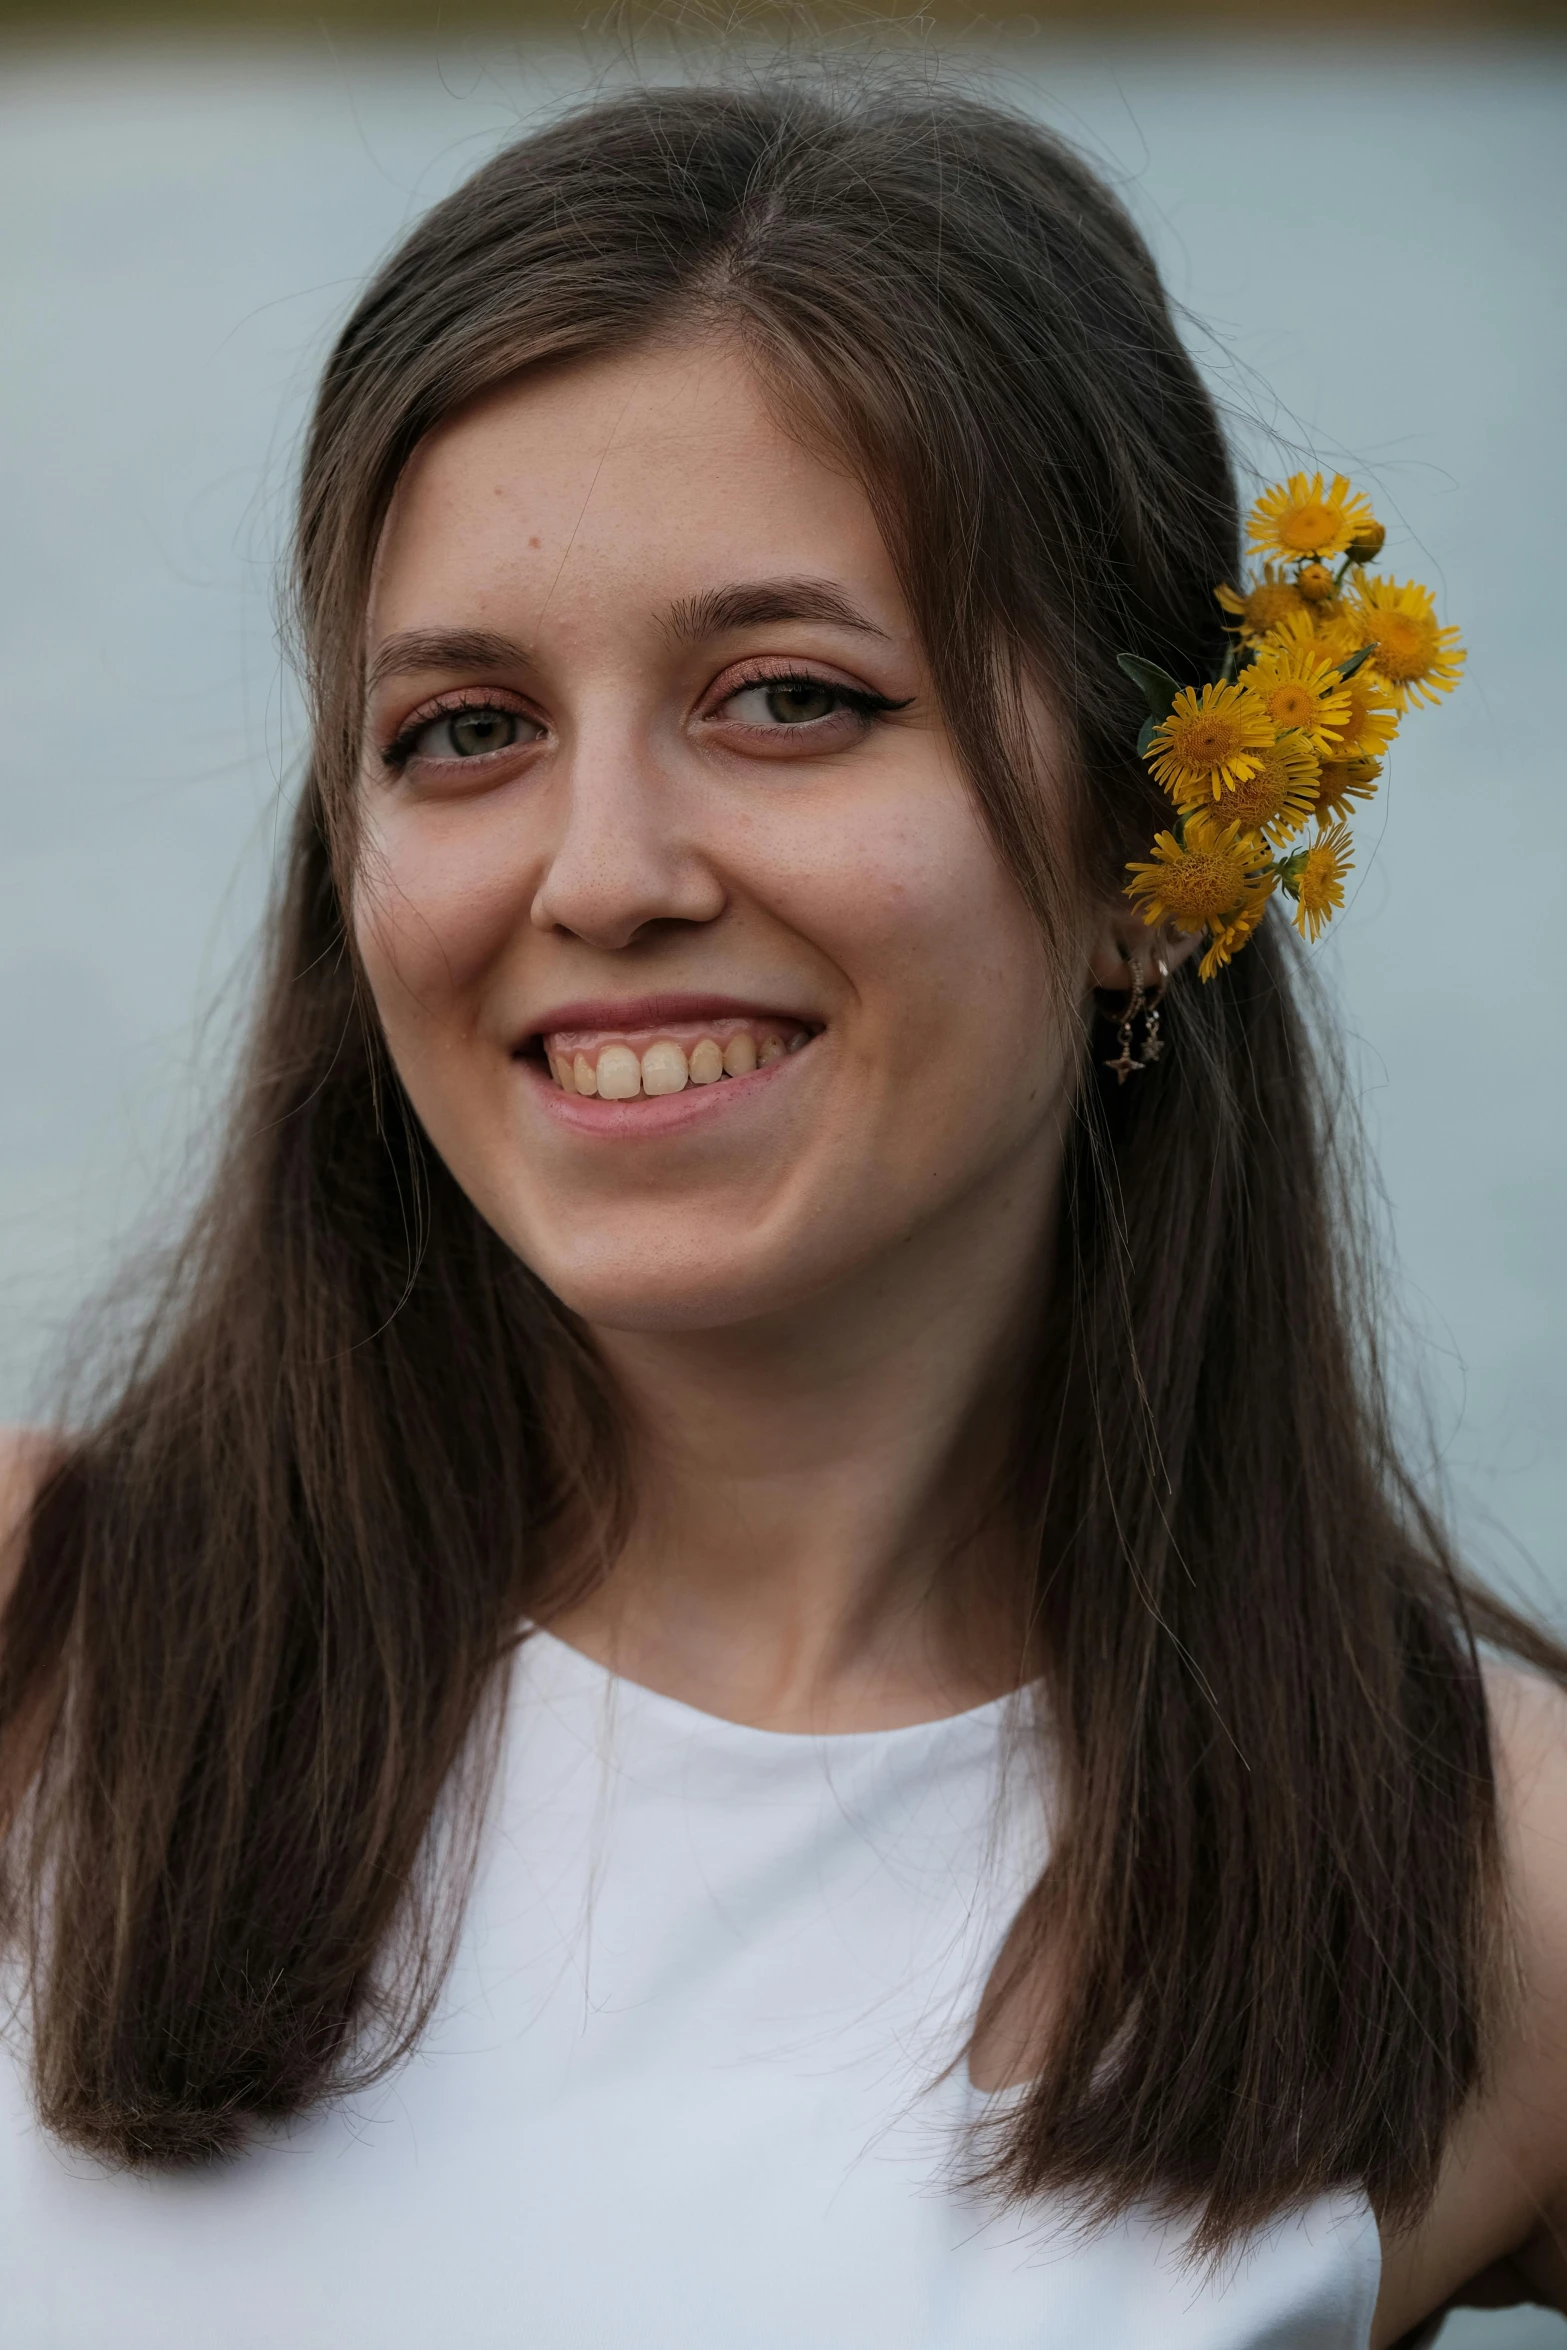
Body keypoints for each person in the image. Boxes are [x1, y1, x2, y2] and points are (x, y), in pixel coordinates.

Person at [0, 77, 1563, 2350]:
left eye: (790, 700)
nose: (606, 869)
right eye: (462, 729)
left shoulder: (1480, 1887)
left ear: (1167, 852)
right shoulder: (38, 1654)